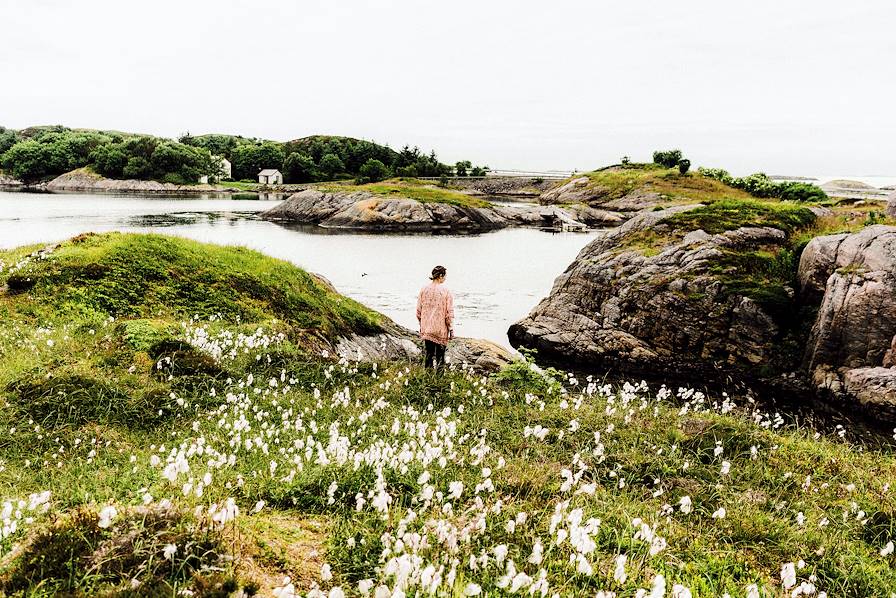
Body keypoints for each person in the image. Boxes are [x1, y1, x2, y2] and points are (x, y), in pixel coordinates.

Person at [416, 265, 454, 370]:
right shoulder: (446, 291)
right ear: (441, 276)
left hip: (427, 329)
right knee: (440, 358)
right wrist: (451, 329)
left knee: (428, 355)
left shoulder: (424, 289)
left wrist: (422, 325)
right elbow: (448, 313)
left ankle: (427, 380)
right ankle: (439, 382)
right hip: (440, 330)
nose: (445, 278)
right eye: (445, 276)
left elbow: (418, 311)